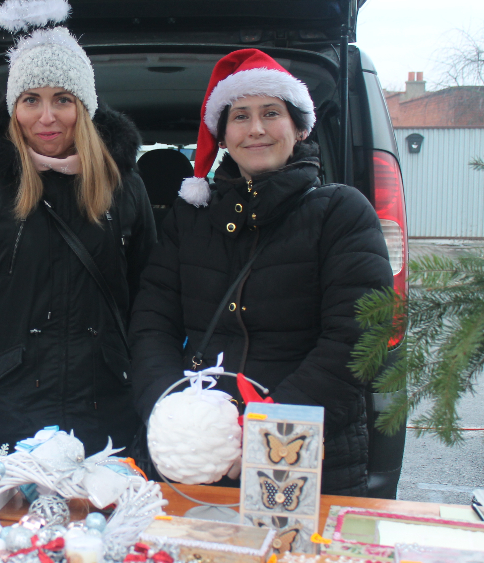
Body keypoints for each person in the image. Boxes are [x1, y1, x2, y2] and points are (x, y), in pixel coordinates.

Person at [130, 49, 393, 495]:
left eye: (271, 113)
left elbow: (356, 342)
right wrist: (173, 418)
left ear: (299, 126)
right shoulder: (190, 217)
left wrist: (264, 432)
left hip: (298, 451)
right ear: (223, 133)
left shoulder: (341, 213)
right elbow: (151, 325)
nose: (255, 129)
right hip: (194, 452)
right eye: (240, 116)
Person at [0, 0, 157, 456]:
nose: (46, 117)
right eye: (31, 100)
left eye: (62, 100)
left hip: (102, 422)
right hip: (3, 422)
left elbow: (150, 314)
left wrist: (149, 418)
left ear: (84, 107)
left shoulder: (123, 188)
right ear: (14, 108)